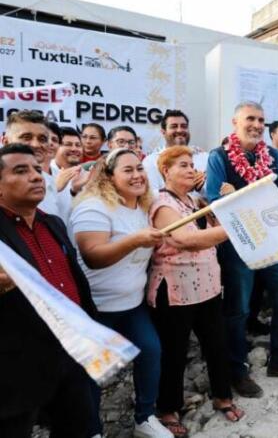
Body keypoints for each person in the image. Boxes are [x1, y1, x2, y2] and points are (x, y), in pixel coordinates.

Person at [205, 101, 278, 398]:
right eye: (250, 118)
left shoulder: (273, 155)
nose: (257, 125)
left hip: (273, 241)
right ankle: (237, 370)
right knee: (238, 310)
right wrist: (240, 196)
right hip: (238, 245)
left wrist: (238, 193)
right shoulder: (219, 157)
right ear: (235, 122)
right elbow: (214, 198)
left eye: (261, 120)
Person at [70, 148, 172, 438]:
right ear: (108, 176)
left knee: (151, 352)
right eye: (127, 170)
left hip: (132, 304)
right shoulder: (94, 207)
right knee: (93, 371)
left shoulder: (144, 207)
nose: (138, 175)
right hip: (97, 308)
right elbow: (93, 256)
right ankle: (91, 430)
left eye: (139, 168)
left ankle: (145, 418)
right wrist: (135, 240)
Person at [0, 144, 96, 438]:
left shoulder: (52, 223)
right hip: (16, 365)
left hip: (71, 351)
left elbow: (73, 279)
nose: (36, 176)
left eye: (36, 169)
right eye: (20, 170)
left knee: (77, 426)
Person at [148, 146, 243, 435]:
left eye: (192, 165)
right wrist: (237, 228)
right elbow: (186, 241)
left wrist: (223, 204)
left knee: (216, 343)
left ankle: (222, 395)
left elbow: (215, 226)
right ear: (166, 171)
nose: (191, 170)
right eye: (183, 165)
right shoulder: (162, 204)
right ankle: (167, 407)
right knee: (174, 352)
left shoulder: (194, 200)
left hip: (208, 286)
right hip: (175, 290)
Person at [2, 110, 60, 217]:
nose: (36, 144)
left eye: (42, 139)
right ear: (5, 142)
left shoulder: (51, 182)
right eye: (26, 137)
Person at [143, 110, 206, 193]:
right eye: (174, 126)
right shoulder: (151, 161)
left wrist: (202, 186)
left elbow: (215, 194)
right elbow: (150, 195)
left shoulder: (204, 158)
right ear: (163, 132)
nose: (179, 130)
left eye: (184, 126)